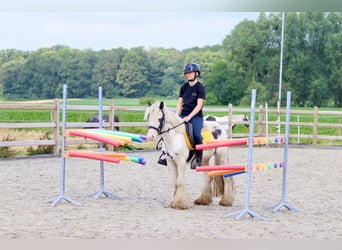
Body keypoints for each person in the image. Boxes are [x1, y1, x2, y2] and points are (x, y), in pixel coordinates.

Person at [158, 62, 206, 169]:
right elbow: (180, 104)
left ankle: (198, 159)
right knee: (169, 129)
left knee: (197, 135)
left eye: (190, 72)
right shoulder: (183, 87)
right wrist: (175, 117)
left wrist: (189, 117)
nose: (188, 74)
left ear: (196, 73)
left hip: (196, 116)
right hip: (183, 113)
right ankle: (164, 155)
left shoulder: (200, 87)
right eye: (186, 73)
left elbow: (199, 105)